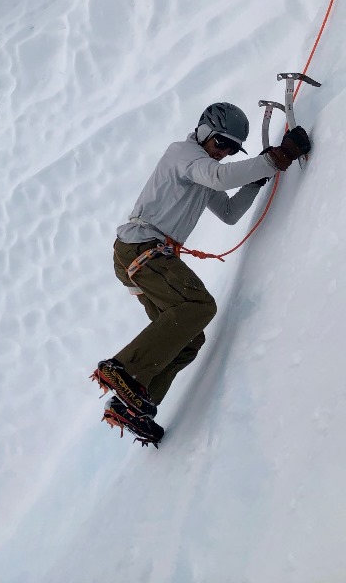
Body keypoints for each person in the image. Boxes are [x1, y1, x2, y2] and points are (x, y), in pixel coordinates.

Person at [92, 102, 311, 445]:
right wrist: (273, 158)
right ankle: (123, 370)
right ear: (205, 132)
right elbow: (219, 176)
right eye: (222, 143)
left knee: (189, 338)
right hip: (141, 247)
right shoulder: (183, 154)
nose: (224, 153)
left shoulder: (202, 170)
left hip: (144, 255)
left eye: (233, 149)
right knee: (199, 305)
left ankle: (131, 406)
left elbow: (228, 212)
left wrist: (257, 179)